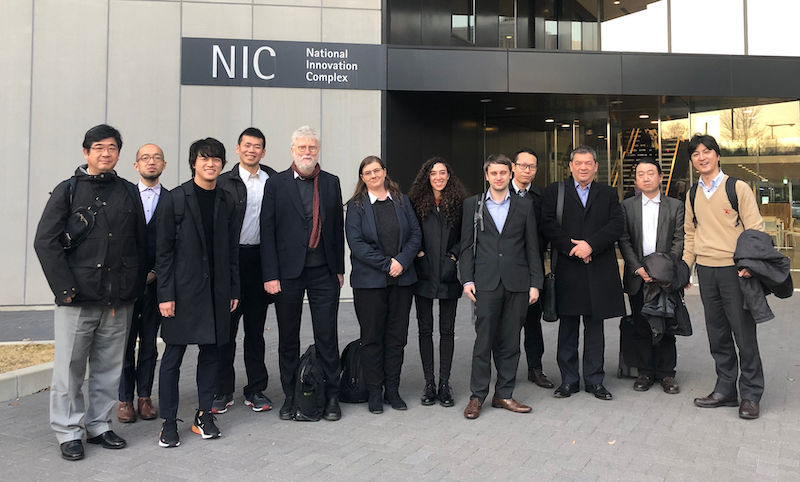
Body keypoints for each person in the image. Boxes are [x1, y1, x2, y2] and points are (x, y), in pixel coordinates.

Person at [34, 124, 146, 461]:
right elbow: (45, 242)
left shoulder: (128, 191)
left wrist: (132, 288)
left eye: (111, 148)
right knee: (69, 370)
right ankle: (69, 431)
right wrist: (65, 289)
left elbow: (139, 245)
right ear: (86, 152)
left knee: (109, 368)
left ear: (118, 154)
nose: (105, 153)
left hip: (117, 300)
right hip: (76, 299)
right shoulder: (67, 190)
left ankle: (99, 425)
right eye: (98, 147)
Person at [155, 138, 240, 447]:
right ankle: (168, 421)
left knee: (212, 355)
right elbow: (162, 253)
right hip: (182, 292)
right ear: (193, 163)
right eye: (204, 159)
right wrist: (165, 295)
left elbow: (231, 250)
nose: (211, 164)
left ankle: (204, 414)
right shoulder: (175, 199)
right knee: (173, 358)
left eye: (216, 159)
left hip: (217, 293)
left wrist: (233, 289)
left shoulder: (226, 199)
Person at [261, 126, 345, 421]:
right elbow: (267, 230)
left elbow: (337, 228)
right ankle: (290, 396)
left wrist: (339, 269)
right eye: (302, 148)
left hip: (323, 271)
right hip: (287, 274)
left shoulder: (331, 183)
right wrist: (270, 275)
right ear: (292, 150)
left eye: (312, 148)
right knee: (288, 338)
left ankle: (331, 396)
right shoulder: (276, 184)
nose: (307, 152)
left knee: (327, 337)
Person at [682, 133, 765, 419]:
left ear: (717, 155)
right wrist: (686, 268)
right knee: (717, 334)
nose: (702, 157)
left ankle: (751, 394)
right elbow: (690, 234)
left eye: (707, 151)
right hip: (706, 271)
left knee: (743, 334)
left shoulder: (737, 187)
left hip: (735, 272)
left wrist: (749, 265)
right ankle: (726, 388)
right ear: (692, 161)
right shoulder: (692, 194)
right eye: (696, 154)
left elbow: (755, 229)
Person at [460, 154, 543, 420]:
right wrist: (467, 279)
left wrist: (535, 283)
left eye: (503, 173)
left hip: (517, 284)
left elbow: (533, 248)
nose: (498, 177)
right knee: (483, 342)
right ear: (487, 176)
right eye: (493, 173)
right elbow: (465, 247)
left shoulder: (524, 206)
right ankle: (477, 396)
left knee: (510, 342)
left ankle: (504, 394)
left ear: (511, 174)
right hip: (485, 284)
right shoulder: (472, 205)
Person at [540, 145, 625, 401]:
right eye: (579, 163)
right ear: (571, 166)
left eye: (588, 163)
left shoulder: (608, 192)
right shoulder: (556, 191)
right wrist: (572, 248)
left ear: (596, 167)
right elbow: (548, 224)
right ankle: (568, 380)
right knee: (567, 328)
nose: (584, 167)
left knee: (595, 328)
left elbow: (616, 225)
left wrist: (591, 245)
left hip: (598, 269)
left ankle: (595, 381)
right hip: (568, 269)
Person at [345, 156, 421, 414]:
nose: (373, 175)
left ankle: (393, 390)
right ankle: (374, 391)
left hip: (402, 282)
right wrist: (387, 264)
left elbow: (415, 235)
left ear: (385, 172)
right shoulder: (356, 206)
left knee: (396, 338)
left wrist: (401, 261)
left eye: (377, 170)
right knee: (372, 338)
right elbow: (356, 244)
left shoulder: (401, 200)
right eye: (367, 172)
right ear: (362, 177)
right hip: (370, 284)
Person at [213, 128, 278, 414]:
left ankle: (256, 389)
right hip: (231, 261)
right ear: (238, 148)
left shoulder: (273, 180)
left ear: (263, 152)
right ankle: (222, 389)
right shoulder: (223, 181)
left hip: (260, 261)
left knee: (255, 330)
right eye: (247, 145)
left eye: (258, 147)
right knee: (226, 331)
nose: (252, 150)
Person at [618, 158, 684, 394]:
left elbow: (679, 240)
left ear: (660, 177)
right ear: (636, 180)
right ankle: (645, 372)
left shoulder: (675, 206)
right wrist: (638, 268)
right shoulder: (627, 206)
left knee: (666, 325)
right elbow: (624, 240)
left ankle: (667, 374)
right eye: (641, 174)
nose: (646, 178)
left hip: (665, 276)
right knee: (641, 325)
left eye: (650, 173)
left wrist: (663, 269)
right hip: (638, 276)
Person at [407, 157, 466, 407]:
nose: (439, 177)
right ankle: (429, 383)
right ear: (427, 177)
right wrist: (419, 254)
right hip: (423, 273)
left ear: (449, 175)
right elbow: (410, 231)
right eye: (433, 173)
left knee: (447, 331)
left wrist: (453, 256)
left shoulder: (459, 203)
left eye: (443, 172)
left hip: (448, 274)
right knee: (425, 330)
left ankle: (445, 383)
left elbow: (466, 234)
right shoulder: (415, 202)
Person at [118, 144, 168, 423]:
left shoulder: (172, 199)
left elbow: (175, 244)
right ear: (136, 165)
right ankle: (124, 399)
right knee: (124, 344)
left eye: (157, 158)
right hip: (126, 285)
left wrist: (157, 271)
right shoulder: (124, 197)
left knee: (149, 343)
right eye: (145, 158)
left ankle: (145, 397)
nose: (151, 162)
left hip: (156, 285)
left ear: (164, 164)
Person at [510, 148, 554, 389]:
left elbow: (547, 231)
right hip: (506, 269)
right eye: (523, 165)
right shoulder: (499, 193)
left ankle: (535, 369)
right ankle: (507, 370)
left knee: (532, 322)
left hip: (533, 268)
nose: (527, 170)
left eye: (532, 167)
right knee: (507, 324)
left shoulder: (541, 197)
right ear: (513, 167)